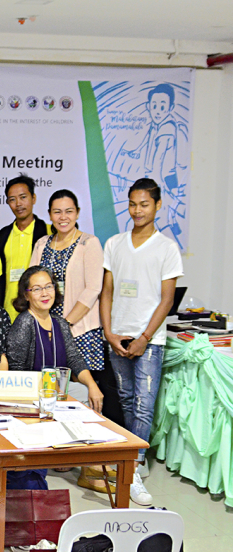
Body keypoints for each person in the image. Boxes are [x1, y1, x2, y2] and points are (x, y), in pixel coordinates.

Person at [100, 178, 183, 507]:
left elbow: (167, 300)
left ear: (158, 206)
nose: (137, 210)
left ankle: (131, 469)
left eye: (144, 204)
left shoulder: (167, 248)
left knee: (144, 405)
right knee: (126, 400)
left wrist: (145, 337)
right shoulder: (115, 243)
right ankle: (135, 456)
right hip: (118, 336)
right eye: (133, 204)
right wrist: (109, 332)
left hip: (150, 340)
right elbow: (107, 291)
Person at [6, 267, 104, 411]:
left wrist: (92, 385)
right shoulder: (24, 323)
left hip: (58, 389)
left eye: (48, 286)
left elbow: (74, 359)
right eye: (37, 289)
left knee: (87, 393)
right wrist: (50, 388)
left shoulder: (60, 323)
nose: (44, 293)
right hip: (32, 393)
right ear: (26, 296)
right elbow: (17, 371)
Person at [30, 190, 105, 373]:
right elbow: (31, 284)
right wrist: (46, 326)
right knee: (49, 387)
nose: (63, 217)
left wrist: (64, 325)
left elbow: (93, 289)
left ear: (77, 213)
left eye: (69, 211)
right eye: (57, 212)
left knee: (81, 390)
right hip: (46, 331)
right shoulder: (42, 243)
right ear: (49, 214)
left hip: (80, 329)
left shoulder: (89, 242)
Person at [0, 175, 49, 320]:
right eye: (12, 199)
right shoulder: (2, 236)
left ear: (34, 198)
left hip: (39, 313)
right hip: (7, 313)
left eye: (23, 197)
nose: (18, 204)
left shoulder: (47, 232)